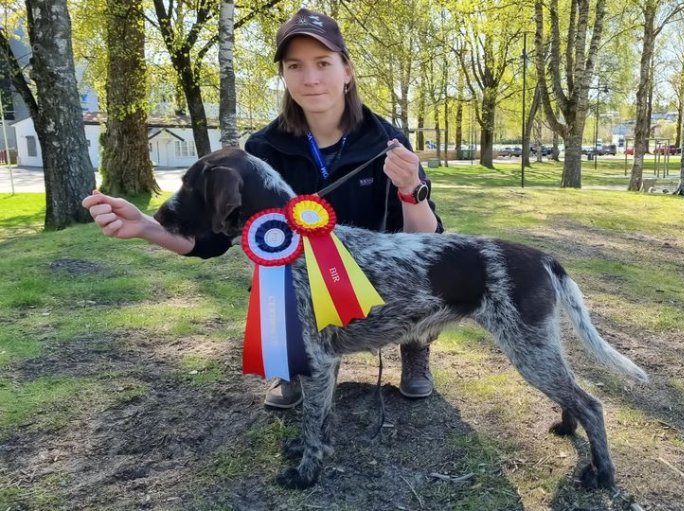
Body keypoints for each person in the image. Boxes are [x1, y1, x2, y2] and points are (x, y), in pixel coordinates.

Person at [82, 7, 443, 410]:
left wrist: (412, 189)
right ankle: (286, 358)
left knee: (421, 277)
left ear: (347, 71)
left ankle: (415, 348)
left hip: (373, 279)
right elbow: (216, 240)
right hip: (296, 288)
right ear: (284, 76)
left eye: (323, 63)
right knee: (277, 276)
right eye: (295, 66)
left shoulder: (387, 141)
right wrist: (146, 227)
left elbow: (423, 243)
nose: (310, 78)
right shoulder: (262, 149)